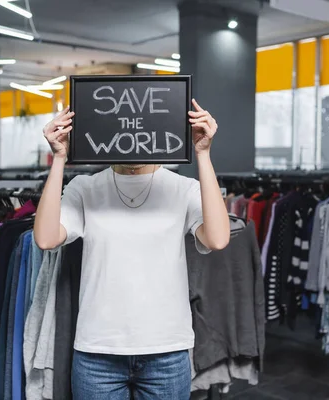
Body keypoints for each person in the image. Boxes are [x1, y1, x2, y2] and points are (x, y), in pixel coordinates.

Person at [34, 99, 230, 399]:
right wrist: (59, 158)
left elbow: (217, 239)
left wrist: (203, 153)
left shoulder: (182, 188)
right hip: (97, 353)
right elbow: (46, 238)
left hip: (166, 351)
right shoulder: (84, 188)